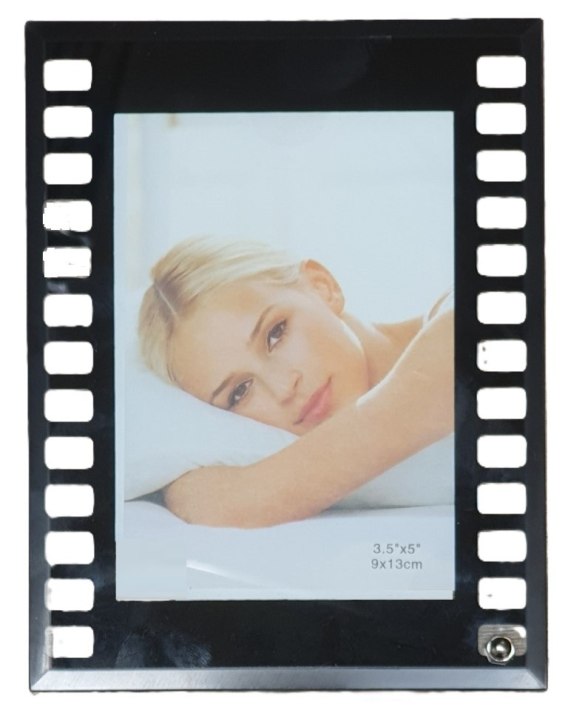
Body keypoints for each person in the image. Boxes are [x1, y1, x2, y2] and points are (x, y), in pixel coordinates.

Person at [138, 236, 454, 529]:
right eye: (240, 392)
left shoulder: (455, 327)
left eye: (275, 334)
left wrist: (210, 492)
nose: (283, 388)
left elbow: (233, 504)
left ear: (322, 286)